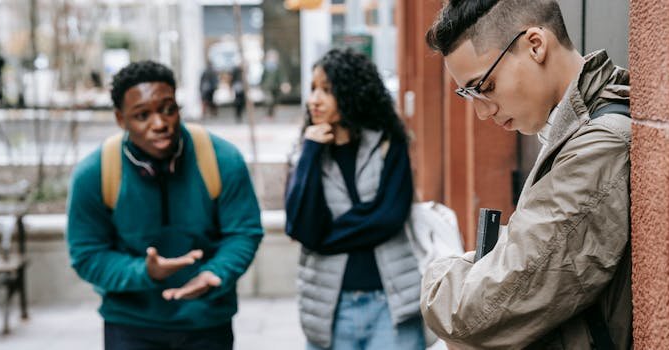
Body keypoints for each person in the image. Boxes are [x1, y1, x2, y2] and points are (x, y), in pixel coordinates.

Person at [419, 1, 633, 349]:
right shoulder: (566, 134)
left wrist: (437, 279)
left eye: (485, 87)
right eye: (468, 94)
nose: (481, 112)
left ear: (535, 45)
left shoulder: (599, 145)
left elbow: (474, 313)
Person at [66, 61, 263, 350]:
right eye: (142, 115)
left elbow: (244, 232)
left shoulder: (222, 159)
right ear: (121, 119)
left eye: (168, 109)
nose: (159, 123)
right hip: (131, 327)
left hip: (207, 324)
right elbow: (87, 254)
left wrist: (215, 273)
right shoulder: (95, 172)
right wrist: (145, 272)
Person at [285, 48, 425, 350]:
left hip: (390, 305)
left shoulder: (388, 142)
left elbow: (388, 218)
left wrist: (322, 238)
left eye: (327, 90)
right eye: (313, 89)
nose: (315, 99)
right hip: (331, 310)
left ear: (350, 92)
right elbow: (299, 225)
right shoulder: (305, 153)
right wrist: (310, 152)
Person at [260, 49, 290, 119]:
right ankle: (268, 114)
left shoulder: (278, 66)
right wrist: (261, 85)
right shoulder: (265, 66)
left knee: (275, 101)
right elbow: (263, 77)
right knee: (269, 100)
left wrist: (284, 83)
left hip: (276, 87)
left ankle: (272, 114)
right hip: (267, 87)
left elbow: (282, 76)